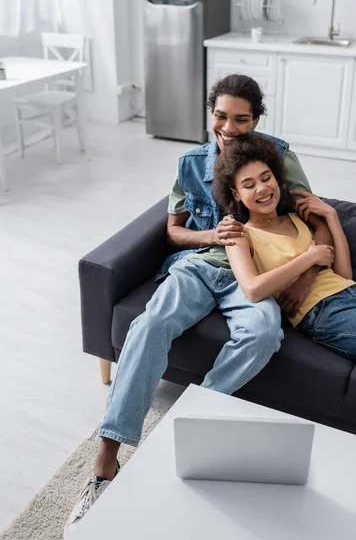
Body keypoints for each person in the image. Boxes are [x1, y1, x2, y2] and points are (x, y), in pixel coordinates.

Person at [64, 74, 331, 537]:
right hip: (200, 267)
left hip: (254, 273)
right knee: (150, 325)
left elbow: (319, 219)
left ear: (257, 120)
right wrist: (211, 235)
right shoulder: (190, 162)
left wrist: (306, 273)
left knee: (265, 334)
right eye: (220, 116)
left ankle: (178, 429)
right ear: (211, 113)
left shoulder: (279, 159)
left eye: (241, 119)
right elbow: (173, 230)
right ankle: (105, 461)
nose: (228, 127)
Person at [213, 133, 356, 363]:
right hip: (326, 314)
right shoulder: (239, 235)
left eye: (266, 178)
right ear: (236, 194)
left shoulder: (297, 218)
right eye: (249, 185)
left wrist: (332, 217)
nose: (261, 188)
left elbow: (344, 275)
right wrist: (310, 257)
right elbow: (253, 289)